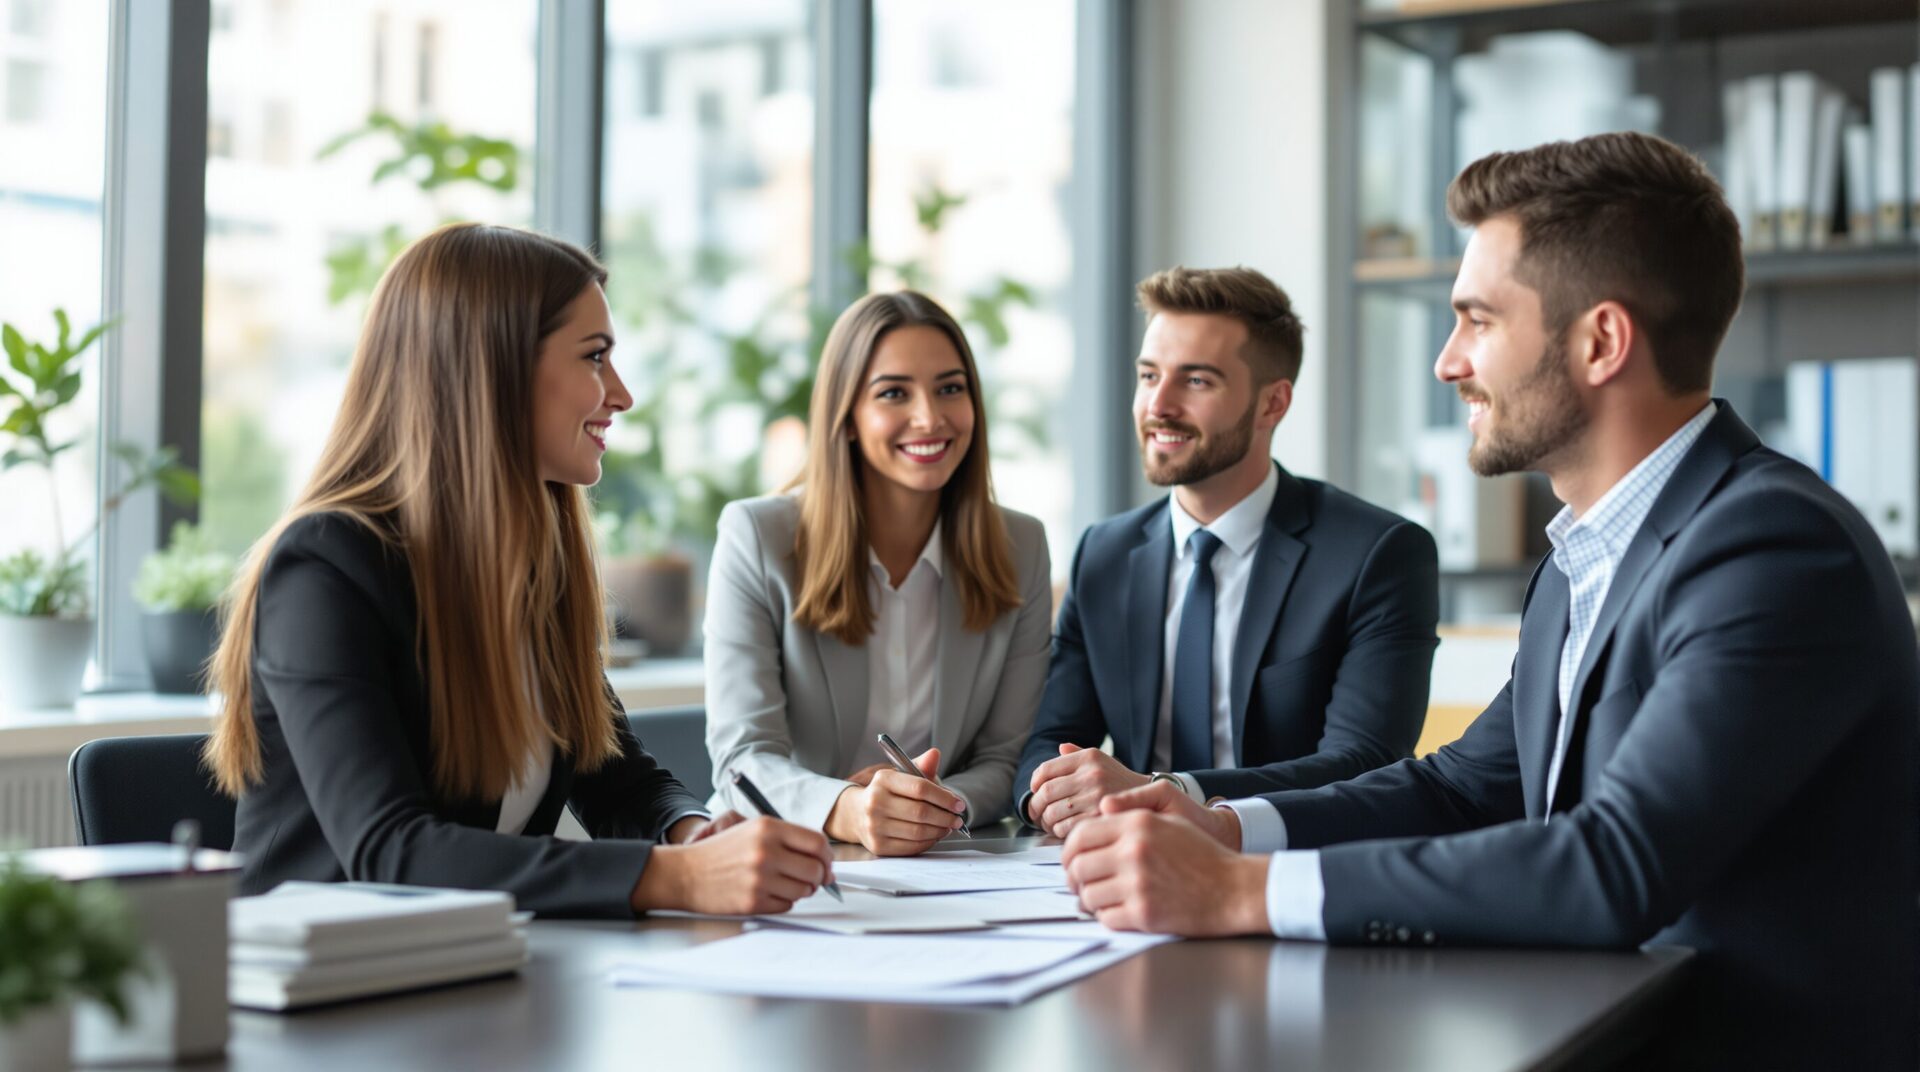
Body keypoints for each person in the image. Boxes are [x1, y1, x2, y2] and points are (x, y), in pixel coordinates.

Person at [1061, 132, 1919, 1068]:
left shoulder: (1772, 547)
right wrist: (1217, 822)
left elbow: (1612, 865)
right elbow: (1462, 786)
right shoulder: (1583, 553)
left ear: (1601, 341)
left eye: (1476, 320)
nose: (1447, 362)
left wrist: (1238, 891)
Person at [206, 223, 834, 919]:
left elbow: (614, 775)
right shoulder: (326, 567)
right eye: (595, 357)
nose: (621, 395)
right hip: (324, 1001)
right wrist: (675, 879)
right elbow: (391, 851)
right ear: (492, 371)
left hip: (479, 980)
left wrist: (691, 836)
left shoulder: (533, 562)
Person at [1014, 267, 1439, 835]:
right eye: (1148, 376)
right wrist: (1052, 794)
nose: (1158, 405)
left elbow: (1365, 763)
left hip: (1285, 866)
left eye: (1196, 381)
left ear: (1272, 405)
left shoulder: (1378, 554)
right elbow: (1047, 738)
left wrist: (1168, 793)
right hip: (1112, 862)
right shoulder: (1104, 552)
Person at [703, 290, 1052, 856]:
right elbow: (743, 760)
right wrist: (851, 810)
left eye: (950, 388)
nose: (930, 417)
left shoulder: (1022, 546)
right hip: (788, 854)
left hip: (948, 864)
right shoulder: (756, 536)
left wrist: (929, 809)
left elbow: (1003, 759)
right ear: (846, 418)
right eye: (894, 393)